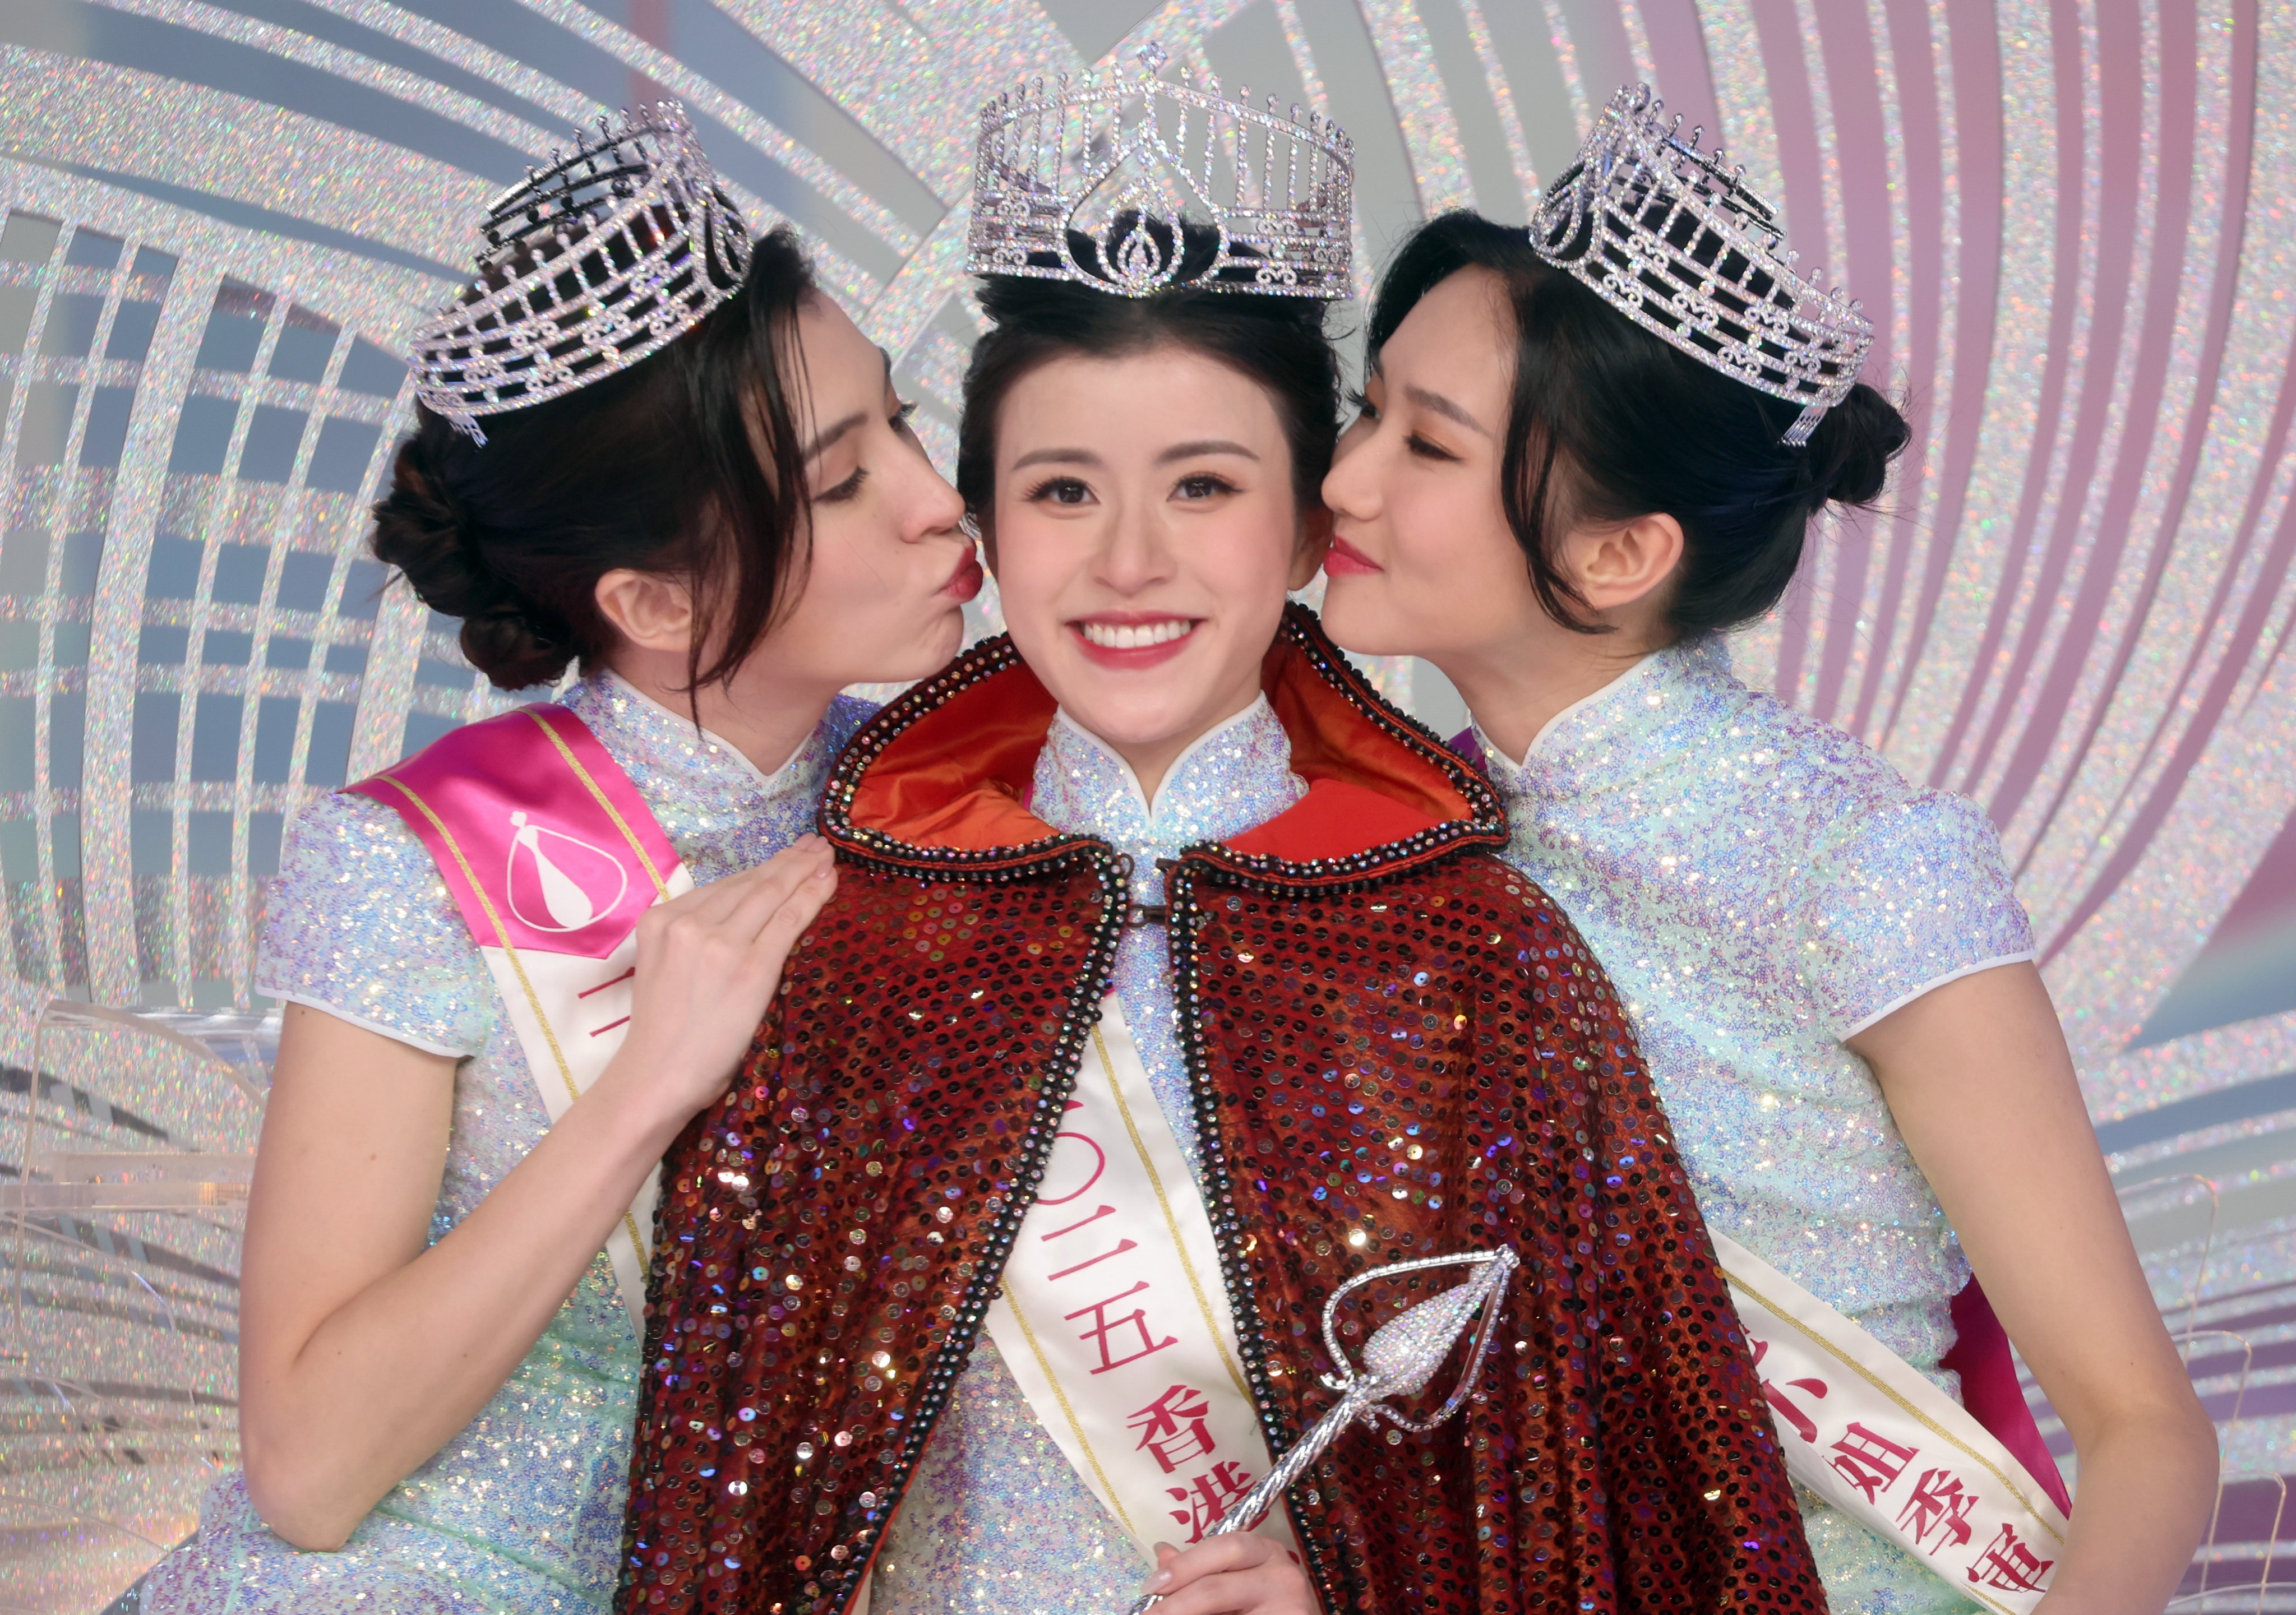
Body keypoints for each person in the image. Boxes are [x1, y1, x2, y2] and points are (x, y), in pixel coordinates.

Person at [620, 61, 1827, 1615]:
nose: (1130, 561)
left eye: (1204, 485)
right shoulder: (836, 946)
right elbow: (729, 1504)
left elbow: (1612, 1513)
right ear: (983, 527)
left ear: (1311, 524)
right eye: (1063, 490)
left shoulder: (1484, 955)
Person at [1316, 86, 2215, 1614]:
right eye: (1368, 410)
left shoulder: (1860, 859)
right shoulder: (1391, 844)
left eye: (1429, 444)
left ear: (1617, 554)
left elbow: (2147, 1433)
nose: (1343, 481)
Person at [139, 104, 978, 1613]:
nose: (938, 504)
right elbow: (312, 1468)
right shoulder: (411, 860)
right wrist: (647, 1087)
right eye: (844, 482)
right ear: (657, 604)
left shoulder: (962, 817)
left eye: (904, 427)